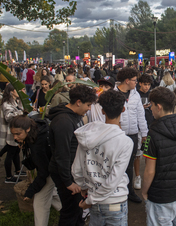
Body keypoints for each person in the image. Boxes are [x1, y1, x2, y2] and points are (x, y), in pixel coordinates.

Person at [72, 90, 133, 226]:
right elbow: (113, 180)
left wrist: (83, 188)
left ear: (103, 111)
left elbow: (76, 169)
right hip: (115, 201)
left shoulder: (87, 134)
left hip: (95, 201)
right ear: (123, 109)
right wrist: (89, 201)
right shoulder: (125, 142)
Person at [142, 87, 176, 226]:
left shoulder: (153, 134)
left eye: (151, 105)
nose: (150, 109)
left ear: (158, 106)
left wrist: (144, 191)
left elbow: (149, 171)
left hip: (160, 196)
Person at [48, 85, 97, 226]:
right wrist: (68, 182)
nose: (89, 109)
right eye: (88, 105)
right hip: (66, 173)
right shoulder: (63, 121)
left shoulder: (73, 117)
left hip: (71, 171)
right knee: (70, 211)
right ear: (78, 102)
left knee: (77, 210)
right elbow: (61, 154)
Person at [10, 115, 62, 226]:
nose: (15, 137)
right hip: (52, 169)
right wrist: (24, 147)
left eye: (18, 134)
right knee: (52, 194)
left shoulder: (38, 144)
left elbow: (43, 171)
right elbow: (35, 165)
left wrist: (31, 190)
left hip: (52, 170)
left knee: (39, 203)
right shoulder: (36, 130)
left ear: (27, 129)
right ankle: (75, 211)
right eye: (13, 134)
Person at [115, 67, 148, 203]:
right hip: (118, 136)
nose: (137, 83)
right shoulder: (113, 94)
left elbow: (141, 115)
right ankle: (117, 190)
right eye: (135, 80)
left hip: (134, 134)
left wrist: (144, 133)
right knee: (118, 164)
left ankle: (129, 192)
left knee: (130, 164)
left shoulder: (135, 95)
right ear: (127, 81)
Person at [0, 84, 24, 183]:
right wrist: (20, 113)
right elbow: (8, 117)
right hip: (10, 133)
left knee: (15, 152)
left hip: (12, 132)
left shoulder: (14, 101)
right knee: (10, 153)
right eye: (17, 90)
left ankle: (17, 170)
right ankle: (9, 177)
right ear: (11, 91)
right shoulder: (7, 103)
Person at [135, 74, 155, 190]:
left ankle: (148, 174)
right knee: (138, 154)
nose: (147, 87)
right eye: (145, 84)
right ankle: (137, 176)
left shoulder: (152, 94)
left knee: (149, 152)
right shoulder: (135, 95)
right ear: (140, 83)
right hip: (138, 127)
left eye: (148, 84)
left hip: (150, 126)